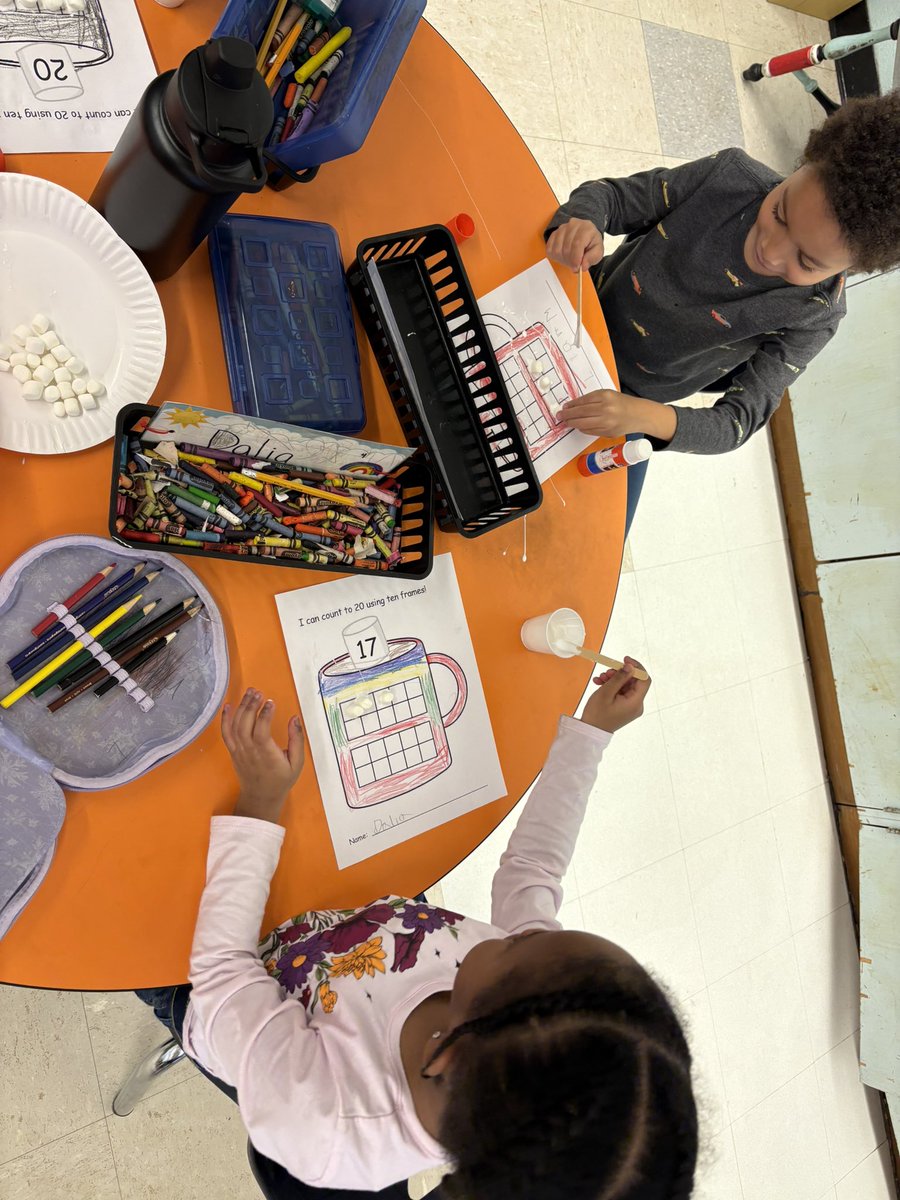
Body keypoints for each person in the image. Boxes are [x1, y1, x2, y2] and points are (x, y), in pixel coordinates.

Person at [138, 666, 698, 1200]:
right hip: (339, 917)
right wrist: (592, 731)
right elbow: (535, 872)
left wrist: (260, 803)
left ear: (449, 1054)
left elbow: (220, 972)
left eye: (517, 942)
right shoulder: (526, 1007)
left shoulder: (323, 1121)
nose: (523, 930)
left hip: (213, 985)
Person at [544, 92, 900, 531]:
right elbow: (610, 197)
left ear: (856, 268)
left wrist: (640, 415)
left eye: (806, 262)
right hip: (575, 307)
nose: (769, 251)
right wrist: (582, 223)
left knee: (582, 523)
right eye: (780, 212)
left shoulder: (816, 316)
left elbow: (736, 423)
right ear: (801, 165)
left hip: (629, 394)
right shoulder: (727, 176)